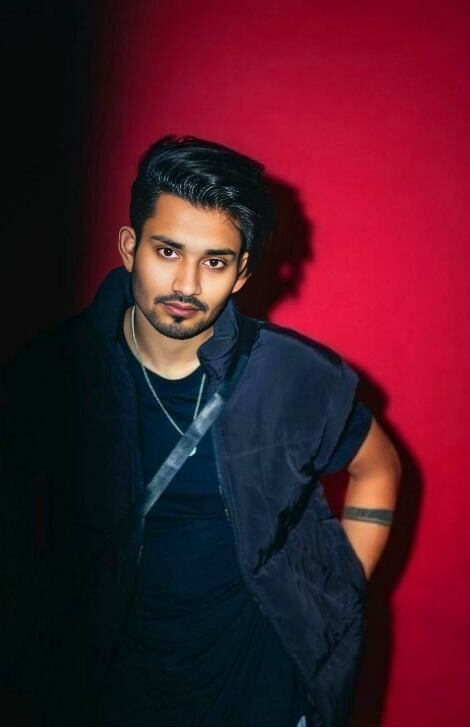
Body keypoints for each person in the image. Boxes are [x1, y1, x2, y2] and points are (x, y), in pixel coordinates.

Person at [1, 135, 401, 727]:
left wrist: (330, 596)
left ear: (241, 273)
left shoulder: (294, 375)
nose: (187, 284)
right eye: (167, 251)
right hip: (99, 688)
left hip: (258, 690)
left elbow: (378, 468)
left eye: (214, 261)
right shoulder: (50, 373)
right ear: (129, 247)